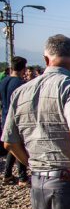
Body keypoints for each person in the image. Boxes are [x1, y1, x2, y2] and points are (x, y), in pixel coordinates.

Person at [1, 34, 70, 209]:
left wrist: (32, 165)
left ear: (46, 59)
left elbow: (9, 141)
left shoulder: (21, 91)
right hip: (69, 180)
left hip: (38, 182)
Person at [1, 56, 29, 186]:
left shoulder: (3, 81)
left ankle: (7, 174)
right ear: (24, 69)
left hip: (5, 116)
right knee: (20, 146)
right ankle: (23, 177)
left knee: (12, 146)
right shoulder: (20, 84)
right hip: (17, 119)